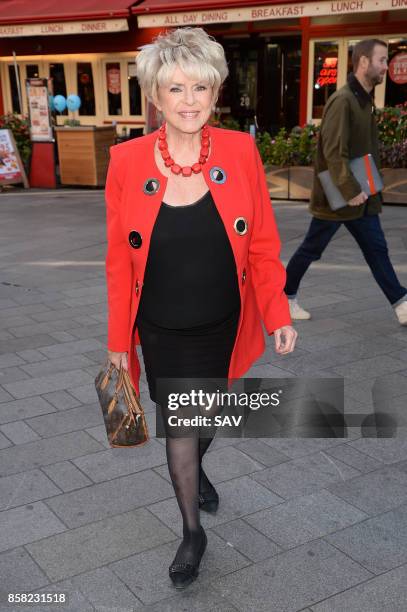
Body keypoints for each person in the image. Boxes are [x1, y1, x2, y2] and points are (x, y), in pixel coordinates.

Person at [104, 27, 297, 590]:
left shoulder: (240, 152)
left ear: (215, 94)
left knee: (208, 411)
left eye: (201, 89)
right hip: (161, 327)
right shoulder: (125, 161)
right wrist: (119, 344)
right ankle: (192, 531)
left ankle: (197, 468)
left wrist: (277, 313)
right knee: (181, 425)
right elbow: (118, 262)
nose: (189, 101)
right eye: (176, 89)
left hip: (224, 322)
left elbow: (261, 244)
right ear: (156, 96)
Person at [285, 38, 407, 325]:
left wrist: (363, 190)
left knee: (377, 250)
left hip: (360, 196)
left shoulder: (363, 102)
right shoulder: (343, 101)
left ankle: (401, 303)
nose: (384, 67)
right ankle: (285, 297)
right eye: (381, 60)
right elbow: (333, 151)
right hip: (339, 198)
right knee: (311, 249)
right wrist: (350, 190)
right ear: (363, 62)